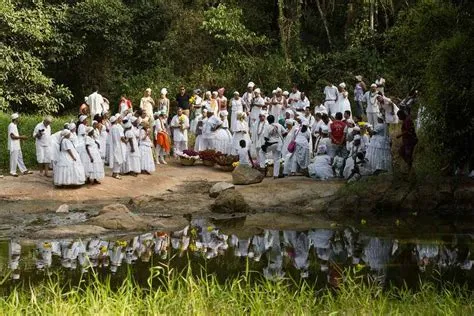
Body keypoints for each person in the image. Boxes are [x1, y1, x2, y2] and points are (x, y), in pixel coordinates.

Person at [260, 115, 286, 179]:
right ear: (274, 119)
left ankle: (263, 168)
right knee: (277, 159)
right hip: (279, 144)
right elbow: (285, 132)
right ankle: (275, 175)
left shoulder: (268, 127)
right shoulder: (279, 125)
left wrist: (265, 145)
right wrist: (280, 136)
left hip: (271, 144)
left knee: (261, 152)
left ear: (268, 121)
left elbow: (266, 138)